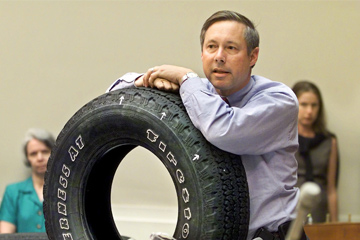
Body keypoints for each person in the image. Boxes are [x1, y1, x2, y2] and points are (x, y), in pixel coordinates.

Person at [107, 10, 305, 240]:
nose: (219, 56)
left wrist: (187, 79)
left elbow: (225, 129)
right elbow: (109, 109)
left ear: (253, 56)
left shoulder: (279, 99)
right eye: (212, 47)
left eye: (231, 48)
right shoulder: (196, 93)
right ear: (202, 53)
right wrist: (145, 81)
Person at [292, 81, 339, 223]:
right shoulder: (284, 137)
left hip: (318, 209)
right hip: (291, 208)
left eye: (314, 105)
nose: (309, 111)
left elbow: (331, 189)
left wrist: (335, 225)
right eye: (304, 104)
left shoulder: (329, 141)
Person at [0, 128, 55, 233]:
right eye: (33, 153)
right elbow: (5, 235)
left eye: (45, 152)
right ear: (27, 158)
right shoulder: (12, 192)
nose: (39, 158)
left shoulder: (64, 191)